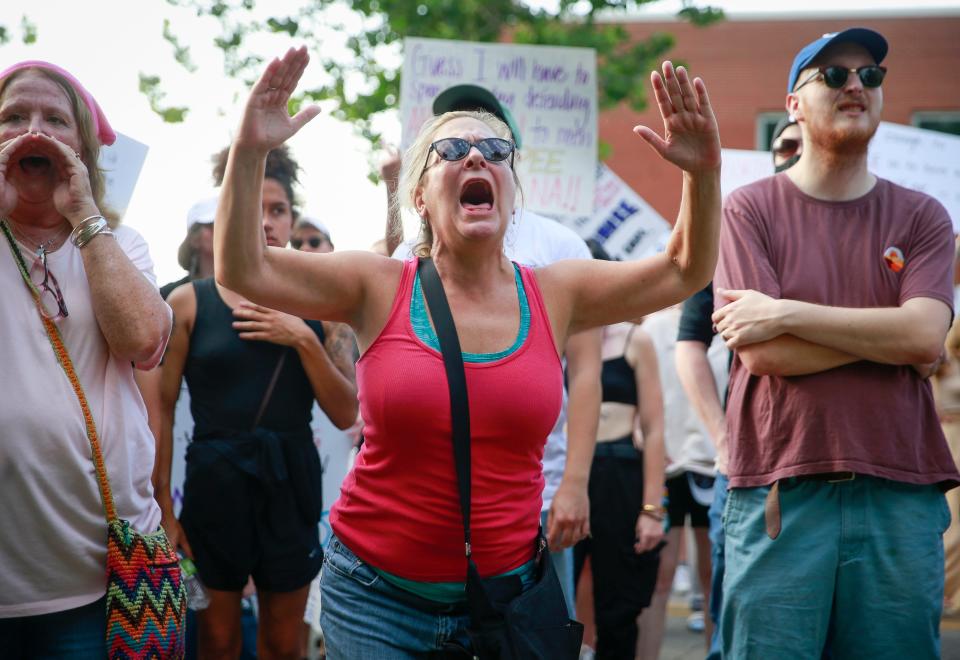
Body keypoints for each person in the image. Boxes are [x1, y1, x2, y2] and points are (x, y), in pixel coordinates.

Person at [214, 47, 720, 657]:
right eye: (450, 150)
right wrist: (249, 153)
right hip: (376, 599)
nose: (476, 155)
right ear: (421, 197)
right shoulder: (377, 285)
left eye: (495, 151)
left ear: (511, 191)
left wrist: (702, 172)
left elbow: (684, 270)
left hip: (505, 604)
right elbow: (243, 268)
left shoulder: (557, 291)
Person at [712, 27, 957, 658]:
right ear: (793, 102)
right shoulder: (747, 210)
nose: (856, 85)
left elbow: (928, 335)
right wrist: (893, 336)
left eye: (870, 76)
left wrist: (788, 311)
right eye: (835, 75)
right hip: (782, 492)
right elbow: (766, 354)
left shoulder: (924, 216)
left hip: (900, 493)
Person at [387, 83, 603, 616]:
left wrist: (574, 483)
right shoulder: (403, 259)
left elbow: (587, 374)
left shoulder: (562, 249)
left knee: (533, 634)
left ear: (511, 157)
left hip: (537, 499)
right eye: (452, 142)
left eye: (487, 135)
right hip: (424, 517)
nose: (472, 149)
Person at [159, 143, 359, 659]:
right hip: (214, 481)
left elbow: (346, 412)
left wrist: (302, 338)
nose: (267, 222)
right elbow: (157, 408)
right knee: (219, 642)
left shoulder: (323, 305)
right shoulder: (188, 301)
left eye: (278, 210)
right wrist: (162, 504)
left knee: (282, 643)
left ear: (292, 219)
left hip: (291, 481)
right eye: (254, 207)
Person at [0, 60, 172, 655]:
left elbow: (142, 343)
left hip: (103, 586)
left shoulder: (118, 244)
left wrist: (84, 216)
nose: (34, 132)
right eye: (13, 116)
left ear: (82, 151)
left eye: (55, 119)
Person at [574, 239, 665, 660]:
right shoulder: (557, 338)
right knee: (551, 598)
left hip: (618, 476)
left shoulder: (635, 340)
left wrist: (652, 510)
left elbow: (654, 428)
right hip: (565, 476)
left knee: (618, 607)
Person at [637, 303, 722, 658]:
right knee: (659, 576)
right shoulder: (652, 329)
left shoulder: (727, 320)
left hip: (714, 461)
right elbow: (641, 395)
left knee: (712, 574)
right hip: (665, 463)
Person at [161, 195, 218, 299]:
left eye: (229, 224)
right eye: (212, 225)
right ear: (194, 238)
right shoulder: (164, 296)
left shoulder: (249, 294)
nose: (223, 231)